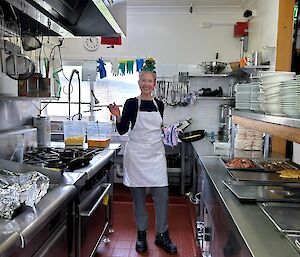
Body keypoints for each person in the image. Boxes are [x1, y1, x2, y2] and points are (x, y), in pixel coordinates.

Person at [107, 59, 177, 254]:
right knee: (139, 198)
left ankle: (162, 235)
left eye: (150, 81)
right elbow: (122, 131)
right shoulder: (131, 104)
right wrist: (118, 115)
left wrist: (168, 132)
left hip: (155, 155)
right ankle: (141, 234)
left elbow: (157, 129)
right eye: (143, 80)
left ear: (155, 84)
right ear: (139, 83)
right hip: (136, 154)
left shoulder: (160, 104)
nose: (147, 84)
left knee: (161, 196)